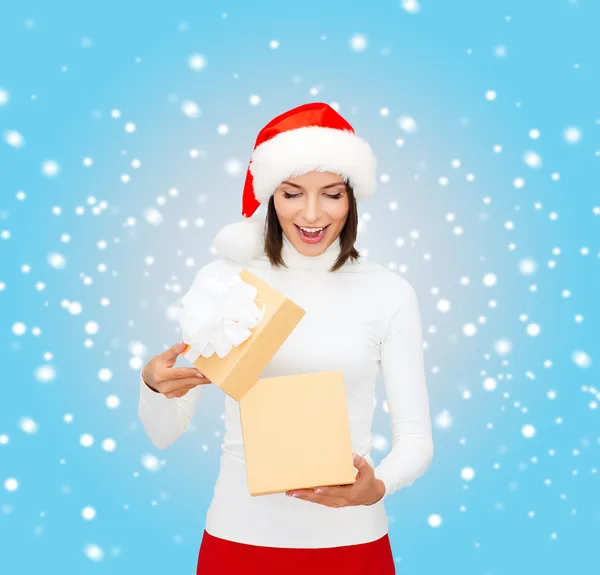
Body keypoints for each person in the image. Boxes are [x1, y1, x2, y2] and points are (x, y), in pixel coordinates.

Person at [138, 102, 434, 575]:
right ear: (270, 198)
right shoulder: (227, 284)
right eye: (292, 193)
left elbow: (416, 438)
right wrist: (155, 386)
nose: (312, 214)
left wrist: (377, 487)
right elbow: (165, 431)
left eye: (331, 194)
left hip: (353, 544)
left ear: (352, 197)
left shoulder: (389, 292)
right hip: (238, 541)